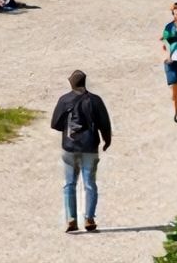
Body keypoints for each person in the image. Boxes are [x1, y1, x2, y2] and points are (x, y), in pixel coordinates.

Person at [50, 70, 112, 234]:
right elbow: (104, 123)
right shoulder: (95, 100)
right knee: (90, 184)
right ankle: (89, 218)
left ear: (72, 83)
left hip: (69, 148)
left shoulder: (64, 100)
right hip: (90, 147)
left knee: (69, 184)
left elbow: (55, 123)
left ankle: (71, 220)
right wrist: (107, 141)